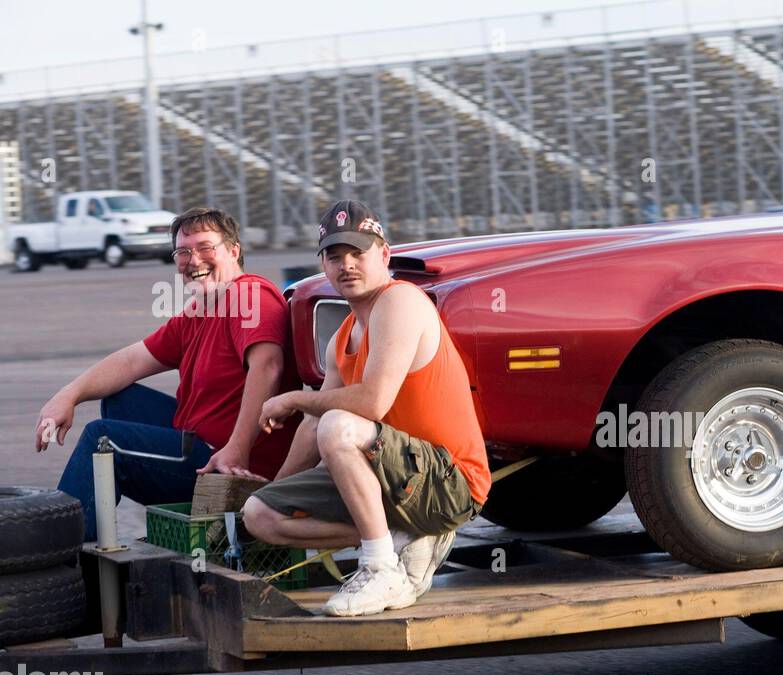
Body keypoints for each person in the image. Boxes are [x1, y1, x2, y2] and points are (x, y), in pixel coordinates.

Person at [242, 200, 491, 617]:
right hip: (392, 476)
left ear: (385, 254)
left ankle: (380, 567)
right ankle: (398, 534)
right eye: (335, 256)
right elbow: (310, 427)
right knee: (260, 515)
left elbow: (373, 402)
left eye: (358, 252)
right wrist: (277, 489)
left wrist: (294, 397)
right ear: (323, 264)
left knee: (339, 426)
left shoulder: (401, 302)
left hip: (448, 481)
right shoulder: (343, 334)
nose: (347, 265)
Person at [35, 207, 301, 538]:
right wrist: (68, 395)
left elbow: (269, 365)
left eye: (205, 247)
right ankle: (106, 531)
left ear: (233, 251)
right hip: (202, 442)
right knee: (120, 399)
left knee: (101, 439)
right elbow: (132, 361)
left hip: (232, 465)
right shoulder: (202, 310)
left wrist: (237, 448)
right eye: (183, 251)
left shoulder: (249, 296)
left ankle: (61, 562)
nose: (194, 259)